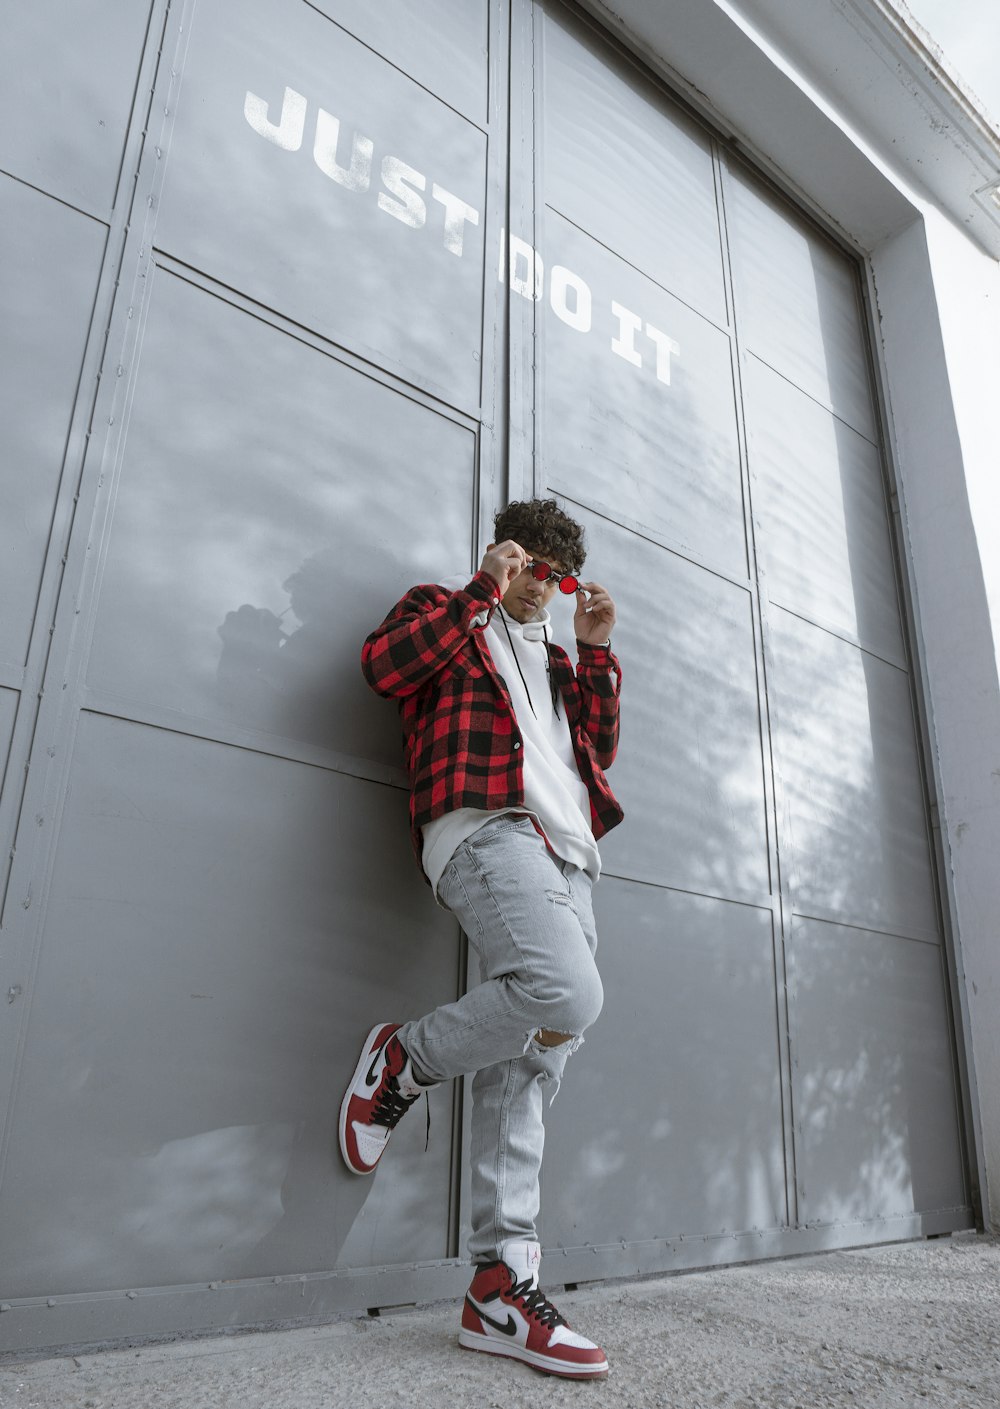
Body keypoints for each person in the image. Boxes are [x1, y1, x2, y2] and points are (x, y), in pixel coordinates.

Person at [339, 497, 623, 1379]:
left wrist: (599, 650)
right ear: (507, 555)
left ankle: (500, 1283)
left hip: (568, 855)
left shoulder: (563, 661)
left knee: (533, 1061)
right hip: (485, 826)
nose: (544, 584)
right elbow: (385, 668)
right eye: (533, 565)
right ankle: (406, 1059)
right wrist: (479, 590)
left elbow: (598, 752)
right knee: (567, 996)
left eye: (558, 574)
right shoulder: (446, 607)